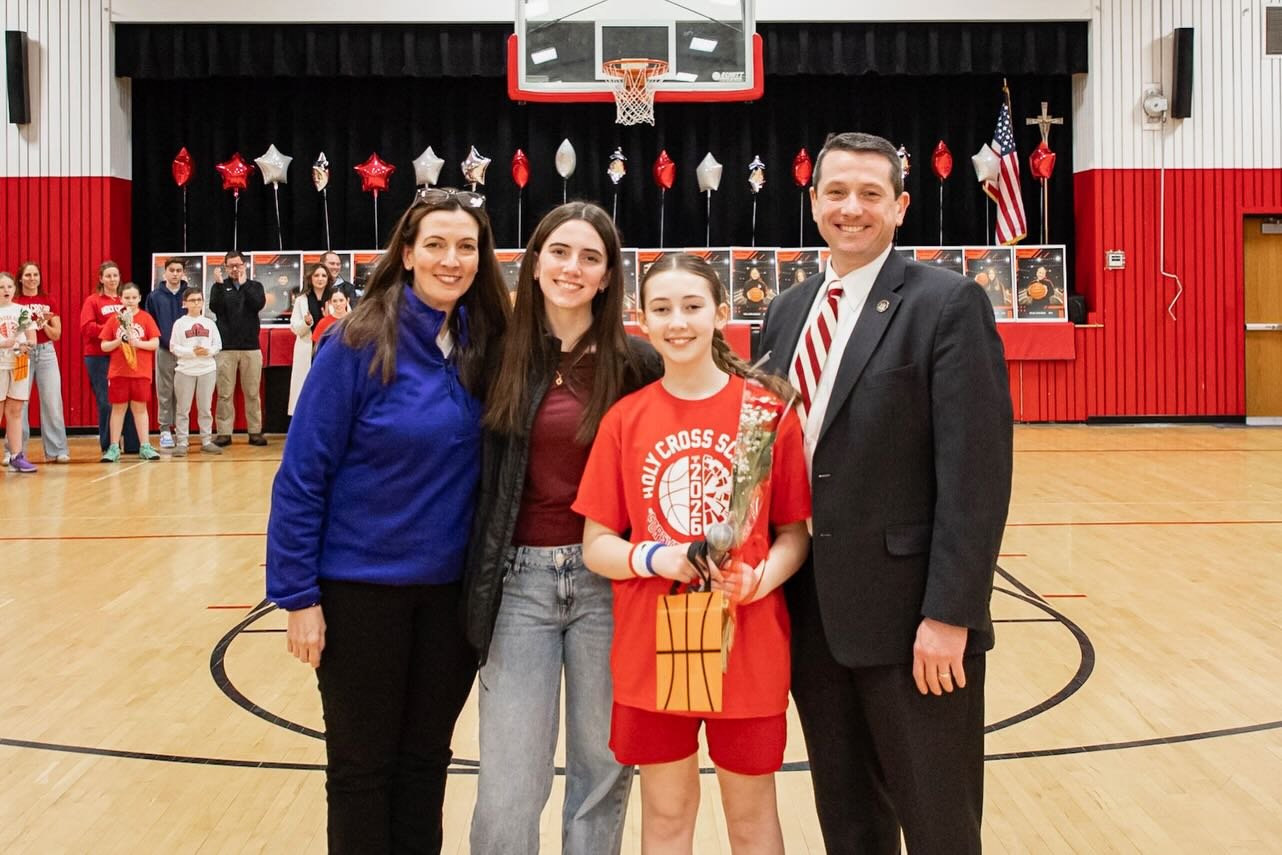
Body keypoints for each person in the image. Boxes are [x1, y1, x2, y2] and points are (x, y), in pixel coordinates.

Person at [758, 131, 1013, 855]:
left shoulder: (948, 303)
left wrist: (950, 614)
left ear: (900, 206)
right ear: (813, 204)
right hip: (811, 615)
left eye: (871, 194)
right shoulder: (786, 310)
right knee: (850, 823)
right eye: (836, 192)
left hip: (914, 625)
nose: (852, 208)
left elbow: (978, 474)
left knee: (939, 824)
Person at [266, 187, 510, 854]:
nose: (451, 258)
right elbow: (301, 474)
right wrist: (297, 596)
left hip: (447, 598)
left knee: (425, 763)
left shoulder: (481, 342)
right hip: (359, 592)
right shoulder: (356, 340)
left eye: (466, 246)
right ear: (406, 252)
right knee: (361, 768)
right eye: (435, 243)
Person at [573, 254, 811, 855]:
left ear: (721, 315)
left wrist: (761, 578)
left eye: (692, 306)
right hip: (653, 647)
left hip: (749, 646)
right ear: (641, 321)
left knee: (753, 819)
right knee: (667, 813)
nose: (677, 322)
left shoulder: (765, 414)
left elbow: (794, 534)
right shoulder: (624, 420)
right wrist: (659, 560)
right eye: (661, 309)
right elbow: (597, 546)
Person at [465, 202, 661, 855]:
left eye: (590, 257)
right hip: (518, 585)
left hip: (612, 586)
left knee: (602, 774)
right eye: (559, 252)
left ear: (607, 277)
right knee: (508, 785)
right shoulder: (494, 355)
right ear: (535, 261)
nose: (572, 268)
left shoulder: (636, 364)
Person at [98, 282, 162, 462]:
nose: (131, 301)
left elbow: (155, 343)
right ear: (121, 299)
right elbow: (103, 346)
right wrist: (118, 341)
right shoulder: (114, 319)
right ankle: (113, 447)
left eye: (134, 297)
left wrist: (138, 343)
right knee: (118, 409)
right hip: (118, 372)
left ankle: (145, 446)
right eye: (127, 298)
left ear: (140, 298)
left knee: (140, 409)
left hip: (140, 372)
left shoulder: (146, 318)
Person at [79, 260, 139, 454]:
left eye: (115, 275)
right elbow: (87, 328)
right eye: (108, 276)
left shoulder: (125, 300)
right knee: (106, 400)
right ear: (101, 278)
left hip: (124, 356)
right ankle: (109, 445)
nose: (112, 279)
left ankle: (132, 444)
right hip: (98, 356)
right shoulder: (93, 301)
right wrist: (111, 331)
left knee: (129, 398)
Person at [208, 250, 267, 446]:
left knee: (252, 392)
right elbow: (215, 308)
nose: (234, 269)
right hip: (226, 347)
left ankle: (255, 431)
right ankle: (224, 433)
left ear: (245, 265)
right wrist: (217, 284)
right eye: (230, 266)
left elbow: (257, 304)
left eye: (238, 265)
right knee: (225, 393)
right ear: (225, 267)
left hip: (251, 347)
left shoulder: (255, 286)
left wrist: (243, 286)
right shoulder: (219, 286)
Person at [14, 261, 71, 463]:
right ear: (20, 278)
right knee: (19, 403)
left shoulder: (48, 300)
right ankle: (15, 451)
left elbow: (57, 334)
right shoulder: (15, 301)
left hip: (46, 353)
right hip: (22, 353)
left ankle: (57, 450)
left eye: (35, 275)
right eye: (28, 275)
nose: (32, 279)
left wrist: (44, 323)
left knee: (52, 402)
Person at [169, 287, 224, 456]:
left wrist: (207, 351)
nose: (196, 303)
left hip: (207, 369)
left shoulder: (210, 323)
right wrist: (192, 352)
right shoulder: (180, 323)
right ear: (185, 303)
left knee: (205, 408)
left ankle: (206, 440)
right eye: (192, 300)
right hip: (185, 370)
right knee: (183, 409)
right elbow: (173, 346)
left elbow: (218, 345)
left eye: (199, 299)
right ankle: (182, 442)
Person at [146, 257, 189, 450]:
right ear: (165, 272)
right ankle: (165, 430)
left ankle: (181, 431)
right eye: (172, 270)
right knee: (164, 391)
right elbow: (150, 322)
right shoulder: (155, 296)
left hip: (186, 352)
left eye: (179, 270)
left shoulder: (189, 295)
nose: (175, 273)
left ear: (183, 273)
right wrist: (163, 342)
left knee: (183, 392)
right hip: (164, 349)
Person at [0, 271, 39, 472]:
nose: (6, 290)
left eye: (9, 286)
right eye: (1, 287)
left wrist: (26, 345)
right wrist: (4, 343)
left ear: (15, 289)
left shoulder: (21, 310)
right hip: (0, 366)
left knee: (15, 410)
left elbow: (32, 337)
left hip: (19, 364)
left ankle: (16, 455)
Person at [288, 263, 333, 416]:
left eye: (323, 275)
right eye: (316, 275)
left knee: (327, 387)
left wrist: (329, 320)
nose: (320, 279)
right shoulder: (302, 299)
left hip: (329, 349)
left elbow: (347, 323)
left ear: (328, 279)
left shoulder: (336, 298)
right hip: (307, 348)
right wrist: (306, 322)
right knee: (306, 388)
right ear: (310, 278)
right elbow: (295, 328)